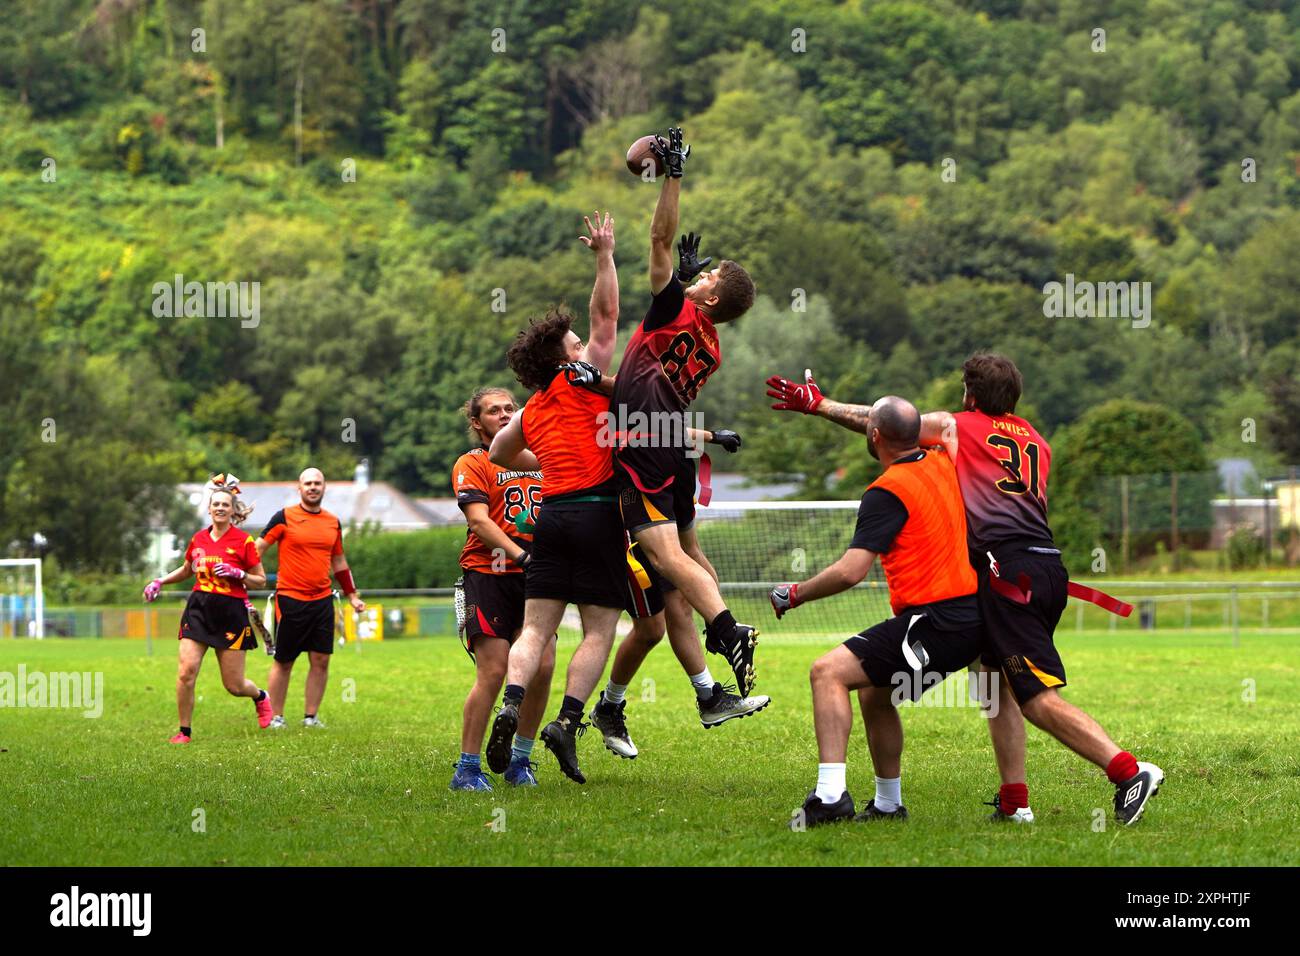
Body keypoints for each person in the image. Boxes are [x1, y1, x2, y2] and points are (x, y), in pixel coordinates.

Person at [768, 356, 1163, 827]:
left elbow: (894, 426)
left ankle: (1128, 771)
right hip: (1045, 567)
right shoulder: (1038, 440)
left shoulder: (959, 428)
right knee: (994, 687)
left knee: (1034, 696)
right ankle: (1015, 802)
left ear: (969, 395)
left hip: (1008, 574)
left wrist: (821, 405)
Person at [767, 399, 985, 827]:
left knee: (826, 672)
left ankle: (830, 798)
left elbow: (851, 572)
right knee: (874, 691)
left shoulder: (887, 491)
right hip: (972, 615)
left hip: (936, 622)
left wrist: (795, 593)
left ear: (875, 437)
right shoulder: (944, 459)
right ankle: (888, 804)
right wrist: (822, 406)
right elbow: (921, 424)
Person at [609, 127, 761, 696]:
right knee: (690, 551)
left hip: (641, 441)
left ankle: (725, 630)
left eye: (711, 277)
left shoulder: (674, 308)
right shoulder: (712, 343)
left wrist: (672, 174)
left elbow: (657, 238)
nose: (702, 274)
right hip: (671, 441)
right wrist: (693, 284)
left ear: (712, 300)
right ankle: (721, 648)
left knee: (663, 552)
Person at [483, 211, 624, 784]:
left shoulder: (535, 406)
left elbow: (497, 452)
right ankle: (565, 723)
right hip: (595, 514)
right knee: (598, 629)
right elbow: (608, 315)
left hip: (552, 517)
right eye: (574, 343)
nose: (582, 344)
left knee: (536, 631)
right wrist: (604, 254)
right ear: (566, 357)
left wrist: (546, 459)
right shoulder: (580, 378)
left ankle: (512, 704)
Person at [449, 386, 556, 790]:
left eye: (511, 408)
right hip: (489, 575)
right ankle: (467, 768)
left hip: (539, 577)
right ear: (477, 422)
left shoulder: (540, 458)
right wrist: (520, 554)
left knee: (542, 667)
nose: (505, 414)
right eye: (494, 411)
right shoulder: (472, 462)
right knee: (493, 673)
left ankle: (520, 761)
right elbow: (479, 521)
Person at [143, 474, 274, 742]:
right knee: (185, 672)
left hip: (231, 612)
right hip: (199, 609)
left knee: (234, 686)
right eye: (216, 504)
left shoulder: (244, 542)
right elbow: (186, 570)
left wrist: (238, 574)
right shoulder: (198, 539)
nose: (220, 508)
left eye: (226, 504)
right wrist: (160, 581)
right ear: (210, 508)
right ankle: (184, 731)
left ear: (233, 509)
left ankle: (260, 696)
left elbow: (260, 580)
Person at [255, 468, 366, 729]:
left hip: (323, 601)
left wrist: (351, 595)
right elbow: (257, 548)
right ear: (300, 488)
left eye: (317, 483)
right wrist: (249, 576)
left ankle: (310, 717)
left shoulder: (332, 522)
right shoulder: (284, 517)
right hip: (291, 600)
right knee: (284, 660)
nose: (313, 487)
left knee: (321, 660)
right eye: (308, 483)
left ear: (324, 488)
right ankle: (277, 717)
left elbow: (339, 560)